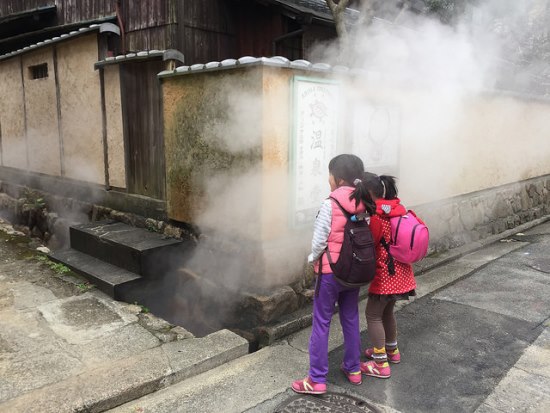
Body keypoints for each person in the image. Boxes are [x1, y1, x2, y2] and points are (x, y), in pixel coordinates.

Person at [292, 154, 375, 395]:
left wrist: (311, 259)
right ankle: (353, 369)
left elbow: (319, 241)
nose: (327, 179)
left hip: (330, 273)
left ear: (338, 179)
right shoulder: (364, 202)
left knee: (321, 322)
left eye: (329, 174)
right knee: (350, 318)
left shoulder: (330, 203)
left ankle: (316, 379)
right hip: (354, 271)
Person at [360, 173, 417, 379]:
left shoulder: (377, 218)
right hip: (402, 273)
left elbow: (371, 243)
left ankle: (380, 364)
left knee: (373, 315)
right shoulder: (395, 211)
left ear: (368, 194)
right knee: (387, 313)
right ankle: (391, 351)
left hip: (385, 273)